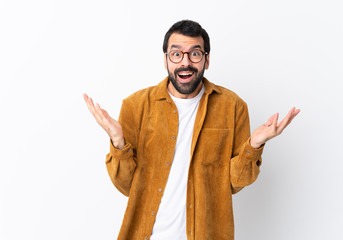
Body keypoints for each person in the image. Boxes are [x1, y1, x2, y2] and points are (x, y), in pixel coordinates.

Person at [83, 20, 300, 240]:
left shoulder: (233, 107)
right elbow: (126, 185)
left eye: (195, 54)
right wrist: (118, 141)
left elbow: (235, 183)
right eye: (176, 54)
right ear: (166, 60)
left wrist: (254, 145)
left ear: (206, 60)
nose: (185, 62)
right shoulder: (135, 106)